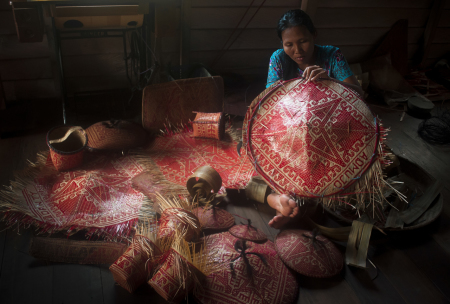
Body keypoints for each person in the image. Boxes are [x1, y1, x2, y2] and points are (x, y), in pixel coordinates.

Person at [265, 9, 363, 228]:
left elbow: (358, 94)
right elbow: (269, 104)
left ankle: (286, 201)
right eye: (289, 44)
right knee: (272, 157)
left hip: (331, 126)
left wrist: (330, 82)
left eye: (303, 41)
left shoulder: (331, 55)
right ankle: (283, 200)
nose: (297, 51)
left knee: (329, 167)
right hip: (291, 128)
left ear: (314, 35)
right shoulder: (278, 59)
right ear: (282, 43)